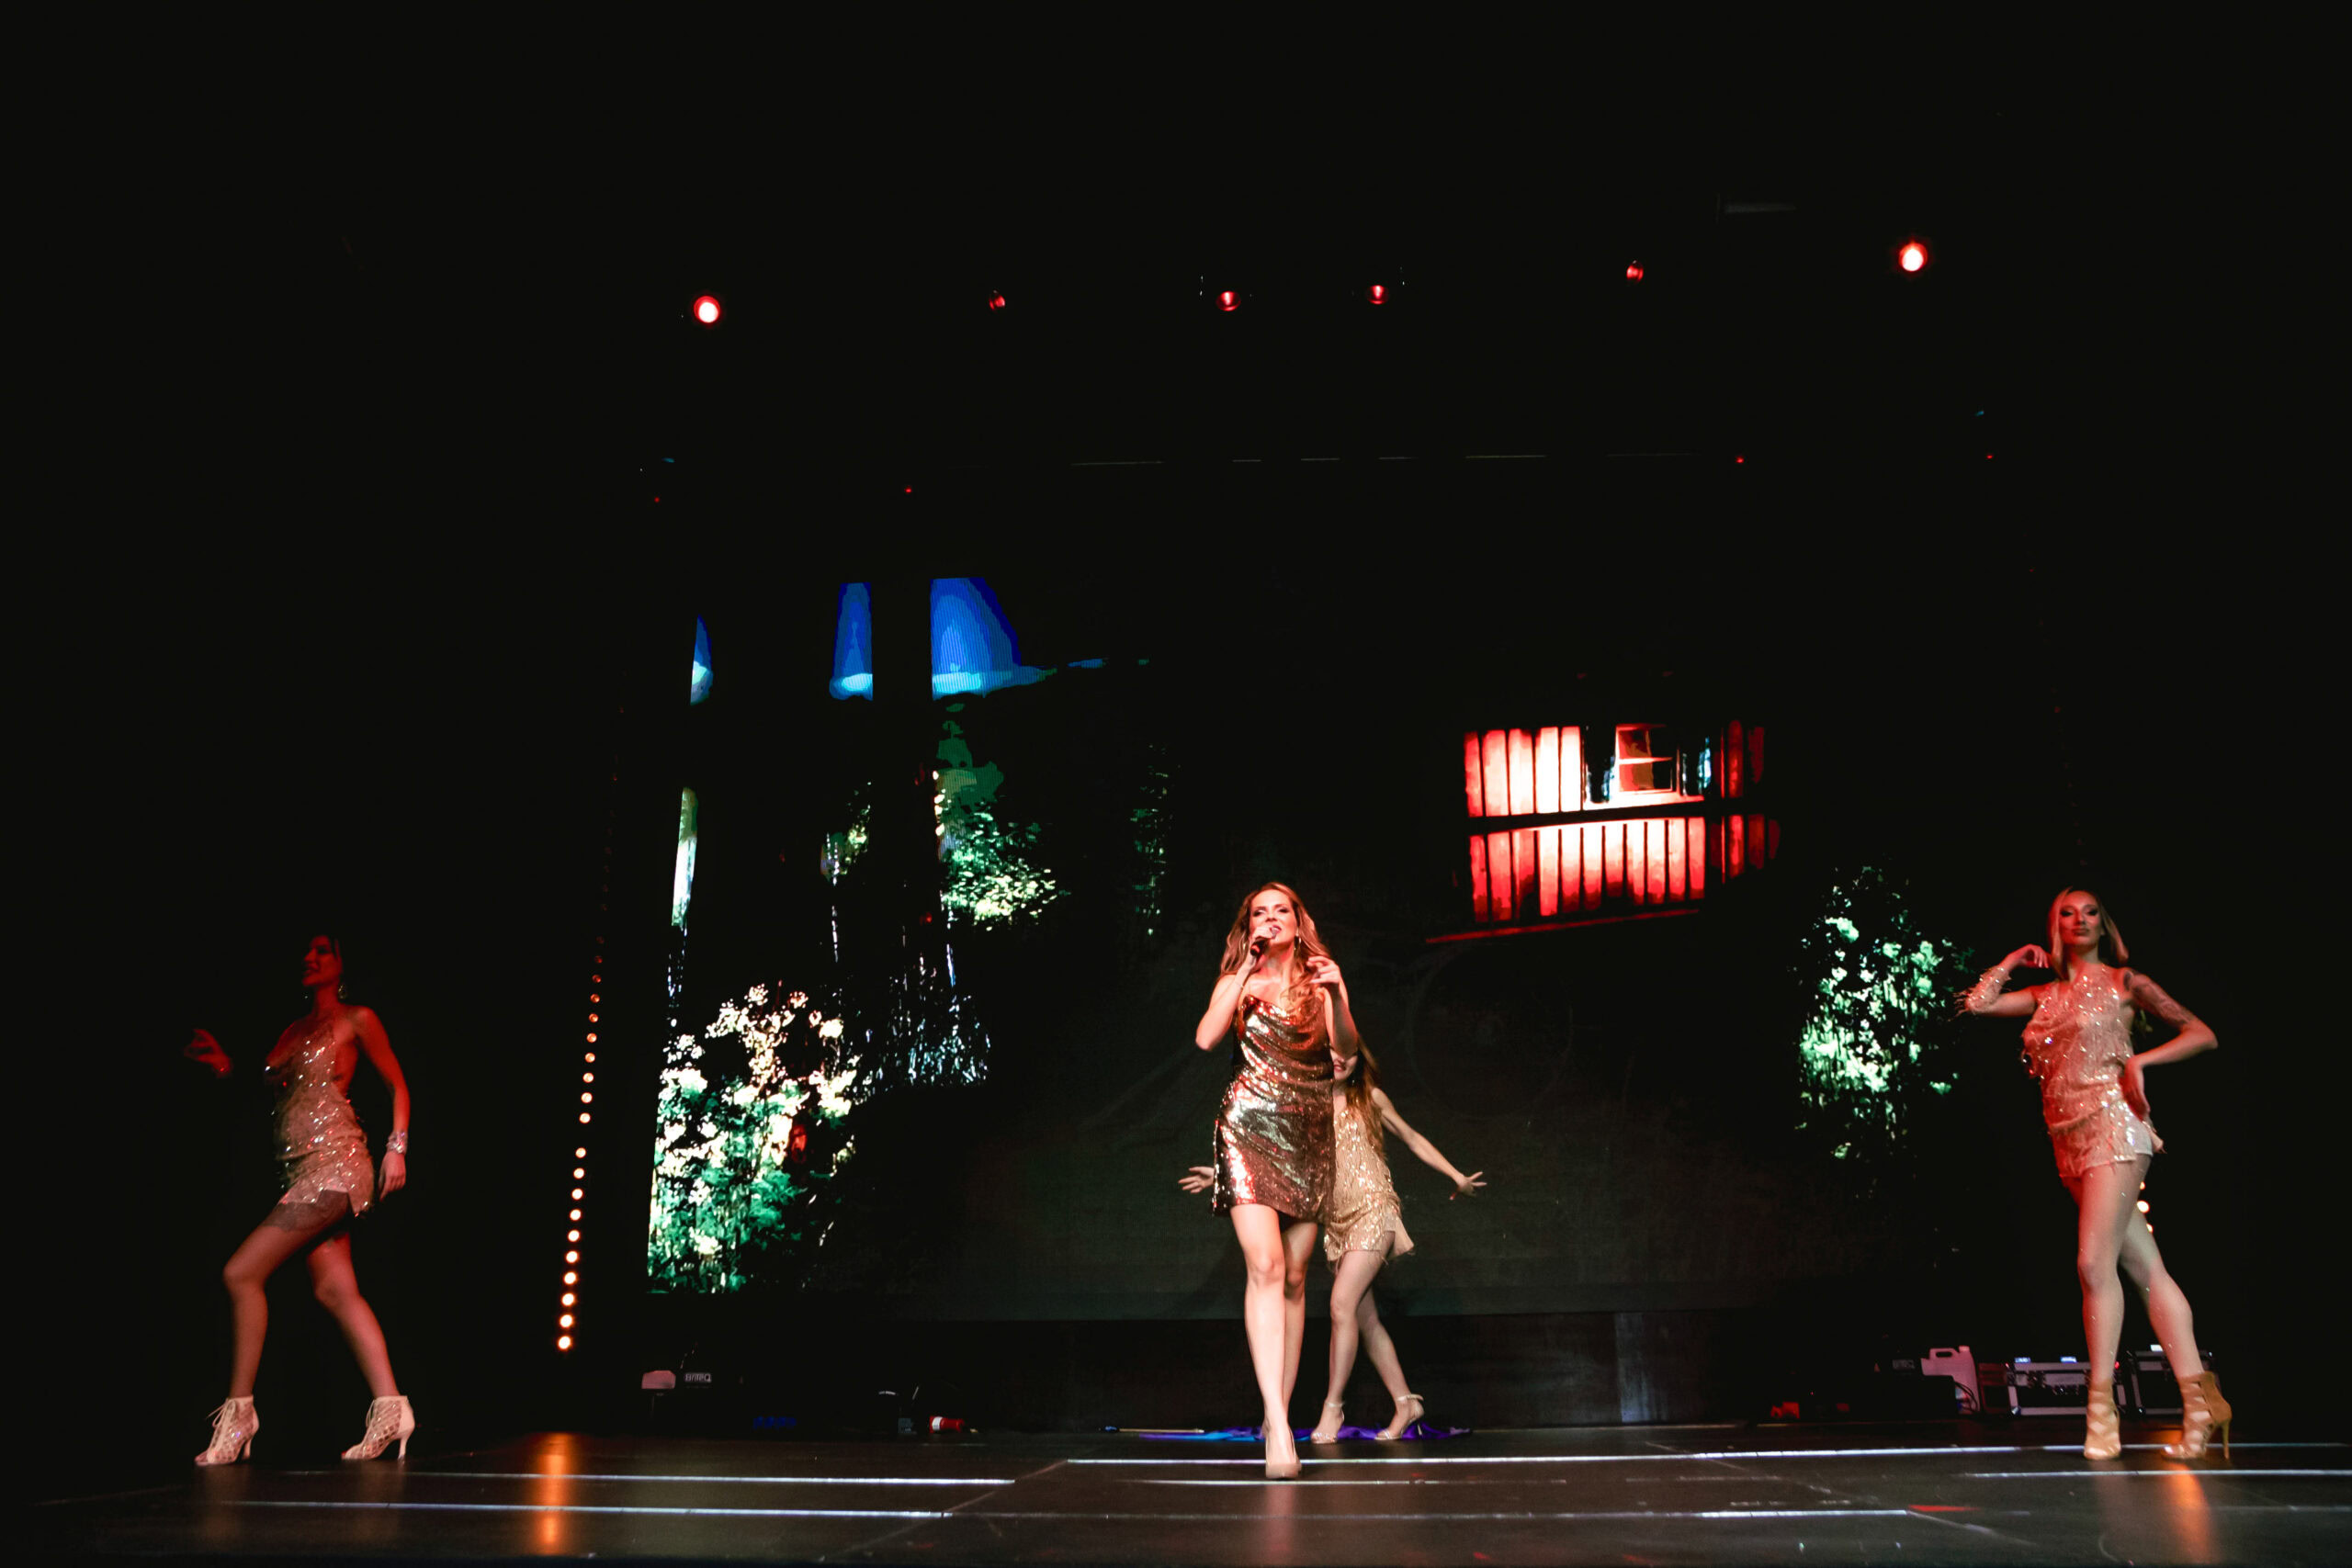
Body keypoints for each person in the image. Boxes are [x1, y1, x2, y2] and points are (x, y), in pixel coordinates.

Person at [1961, 887, 2227, 1460]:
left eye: (2090, 913)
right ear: (2055, 926)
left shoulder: (2126, 982)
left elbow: (2202, 1033)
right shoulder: (2044, 995)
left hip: (2116, 1126)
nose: (2079, 920)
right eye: (2068, 913)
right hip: (2068, 1138)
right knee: (2146, 1269)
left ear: (2104, 926)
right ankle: (2202, 1404)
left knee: (2091, 1264)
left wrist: (2140, 1061)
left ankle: (2100, 1410)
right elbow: (1978, 1005)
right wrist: (2012, 960)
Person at [182, 933, 414, 1464]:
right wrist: (224, 1065)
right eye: (306, 952)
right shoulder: (292, 1030)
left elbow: (398, 1086)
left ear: (342, 963)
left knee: (241, 1273)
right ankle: (392, 1406)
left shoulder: (358, 1019)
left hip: (338, 1167)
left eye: (322, 951)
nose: (310, 958)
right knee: (335, 1291)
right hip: (298, 1170)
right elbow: (275, 1090)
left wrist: (396, 1149)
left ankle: (240, 1415)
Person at [1182, 1040, 1484, 1443]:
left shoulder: (1370, 1099)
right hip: (1338, 1224)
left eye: (1349, 1053)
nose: (1340, 1059)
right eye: (1333, 1053)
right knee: (1366, 1320)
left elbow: (1412, 1138)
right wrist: (1223, 1173)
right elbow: (1270, 1156)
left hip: (1374, 1210)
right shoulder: (1307, 1105)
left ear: (1360, 1059)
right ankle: (1406, 1402)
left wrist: (1456, 1176)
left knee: (1341, 1304)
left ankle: (1333, 1408)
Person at [1192, 884, 1360, 1479]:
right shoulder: (1237, 979)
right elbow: (1206, 1038)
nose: (1269, 919)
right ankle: (1280, 1426)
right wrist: (1244, 969)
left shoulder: (1321, 979)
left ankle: (1277, 1413)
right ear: (1250, 926)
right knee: (1263, 1264)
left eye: (1279, 910)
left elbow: (1347, 1052)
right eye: (1259, 913)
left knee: (1293, 1275)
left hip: (1308, 1133)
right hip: (1247, 1127)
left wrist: (1337, 993)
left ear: (1296, 920)